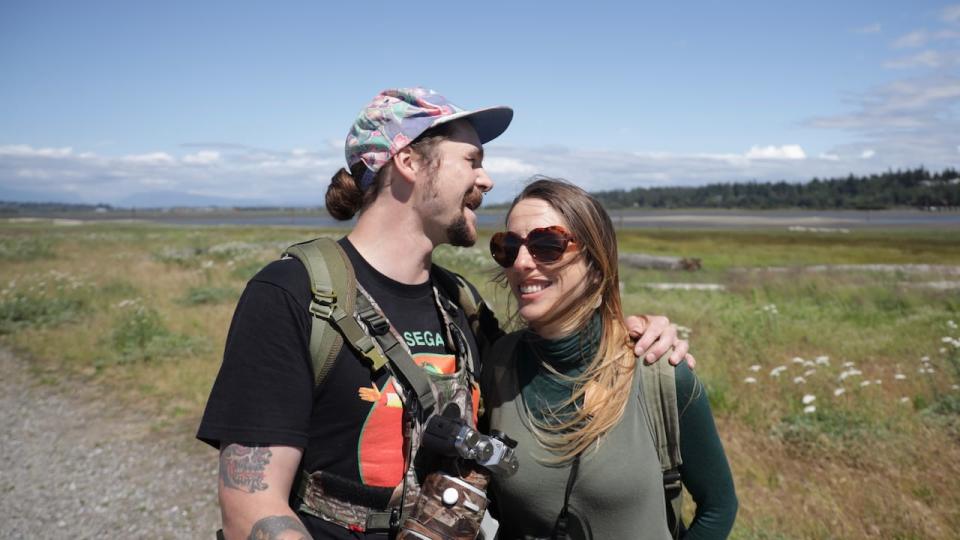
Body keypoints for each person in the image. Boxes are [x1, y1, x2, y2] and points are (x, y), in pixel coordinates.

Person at [196, 88, 691, 540]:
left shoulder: (459, 304)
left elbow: (550, 364)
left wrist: (633, 333)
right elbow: (250, 504)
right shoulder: (292, 293)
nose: (487, 179)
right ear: (409, 161)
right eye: (472, 160)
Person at [483, 178, 737, 539]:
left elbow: (719, 507)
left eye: (547, 245)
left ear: (596, 263)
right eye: (508, 247)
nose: (522, 262)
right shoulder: (496, 364)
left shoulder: (658, 373)